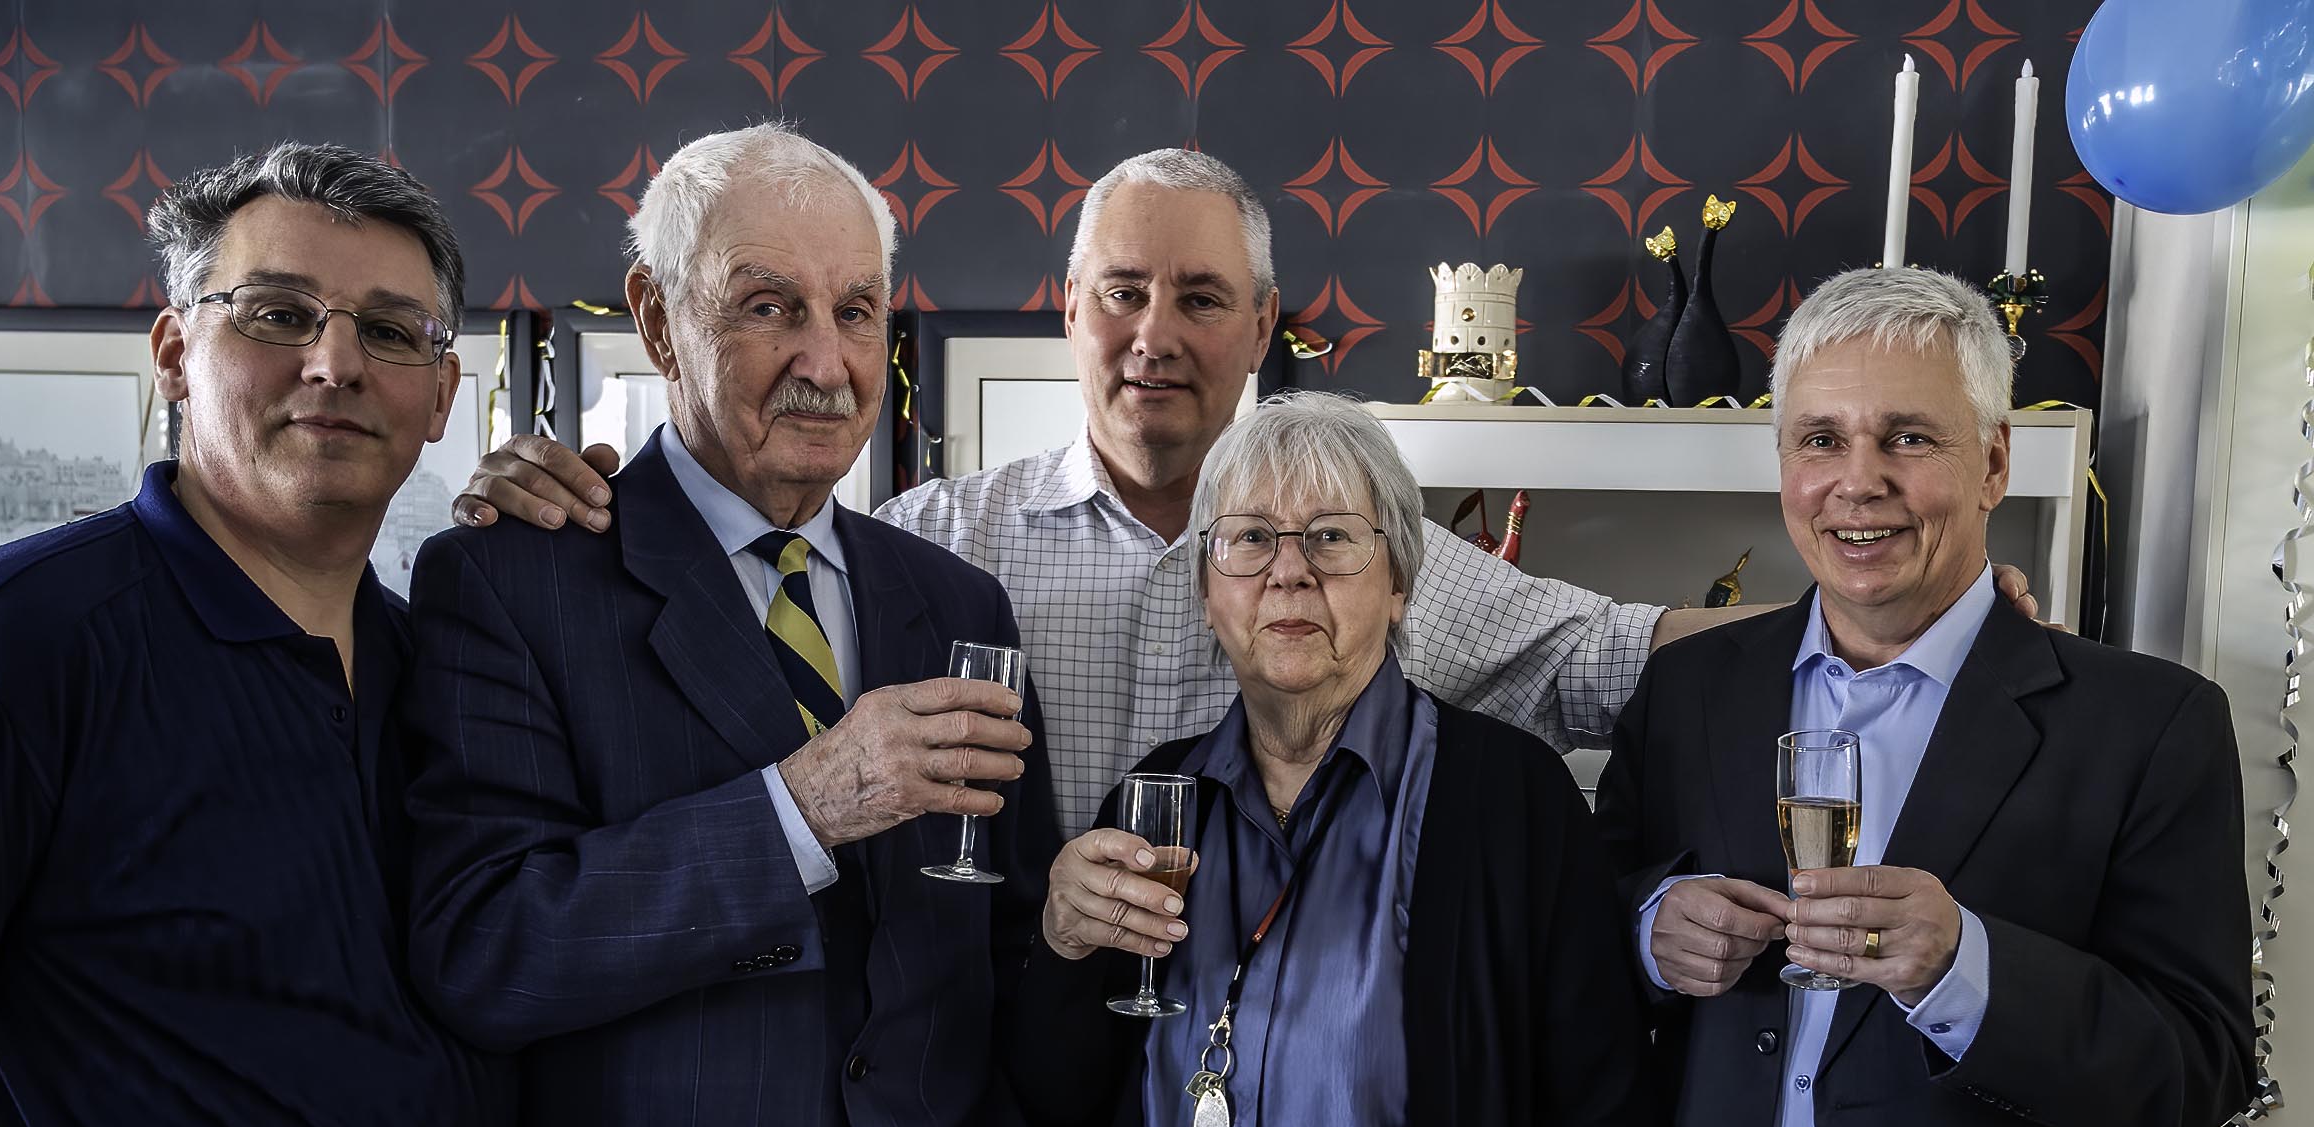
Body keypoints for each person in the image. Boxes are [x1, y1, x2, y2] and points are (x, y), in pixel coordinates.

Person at [454, 148, 2040, 839]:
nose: (1157, 337)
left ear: (1263, 325)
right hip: (1020, 1108)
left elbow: (1610, 656)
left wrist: (1883, 622)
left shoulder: (1360, 549)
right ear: (1070, 312)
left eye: (1202, 300)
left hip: (1286, 1075)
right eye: (1124, 294)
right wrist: (576, 490)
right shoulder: (934, 550)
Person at [400, 124, 1073, 1127]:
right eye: (770, 307)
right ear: (657, 318)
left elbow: (1008, 955)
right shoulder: (512, 581)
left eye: (857, 310)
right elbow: (485, 947)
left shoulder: (956, 599)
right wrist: (798, 808)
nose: (827, 361)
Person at [1594, 267, 2255, 1127]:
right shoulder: (1691, 690)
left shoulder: (2148, 724)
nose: (1860, 481)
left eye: (1909, 437)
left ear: (1994, 461)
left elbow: (2195, 1071)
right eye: (1821, 439)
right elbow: (1585, 929)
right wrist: (1649, 928)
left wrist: (1966, 967)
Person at [0, 143, 514, 1127]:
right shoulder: (3, 647)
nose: (335, 362)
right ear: (176, 351)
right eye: (280, 312)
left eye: (390, 331)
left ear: (439, 398)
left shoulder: (442, 666)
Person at [1019, 393, 1656, 1127]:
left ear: (1399, 580)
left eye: (1330, 538)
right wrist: (1062, 943)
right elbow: (1059, 1103)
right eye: (1250, 540)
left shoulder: (1513, 802)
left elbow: (1603, 1125)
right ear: (1210, 591)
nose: (1289, 573)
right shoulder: (1152, 804)